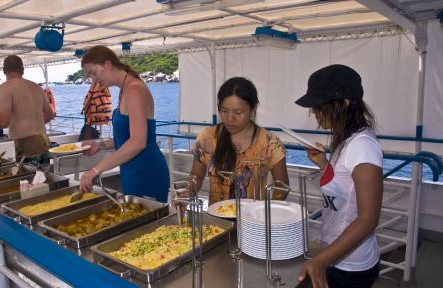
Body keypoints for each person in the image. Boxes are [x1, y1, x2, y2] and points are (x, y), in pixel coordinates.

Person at [295, 64, 383, 288]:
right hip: (336, 256)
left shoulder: (362, 146)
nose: (314, 112)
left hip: (350, 268)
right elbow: (344, 190)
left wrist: (321, 261)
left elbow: (368, 218)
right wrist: (324, 163)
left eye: (319, 106)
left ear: (344, 103)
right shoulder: (346, 139)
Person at [79, 45, 169, 202]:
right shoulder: (125, 89)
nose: (93, 79)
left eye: (93, 73)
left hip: (146, 172)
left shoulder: (134, 90)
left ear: (108, 64)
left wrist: (95, 170)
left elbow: (138, 142)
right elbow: (128, 137)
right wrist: (100, 145)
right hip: (131, 172)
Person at [189, 77, 289, 205]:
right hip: (218, 222)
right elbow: (196, 176)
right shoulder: (207, 137)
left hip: (253, 220)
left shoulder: (270, 143)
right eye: (224, 111)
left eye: (238, 112)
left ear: (253, 108)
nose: (230, 118)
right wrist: (186, 193)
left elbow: (283, 185)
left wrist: (266, 210)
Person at [0, 55, 55, 159]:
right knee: (42, 174)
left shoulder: (6, 87)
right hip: (43, 139)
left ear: (4, 70)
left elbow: (4, 122)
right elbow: (50, 115)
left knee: (28, 174)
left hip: (25, 142)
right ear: (22, 70)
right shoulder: (36, 87)